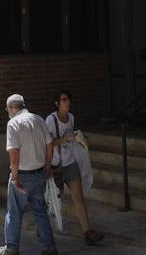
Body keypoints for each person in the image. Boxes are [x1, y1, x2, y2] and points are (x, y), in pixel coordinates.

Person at [0, 94, 58, 255]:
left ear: (11, 108)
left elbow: (14, 152)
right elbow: (50, 145)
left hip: (23, 175)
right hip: (39, 174)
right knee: (40, 210)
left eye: (7, 108)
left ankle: (11, 248)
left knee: (14, 212)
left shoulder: (13, 123)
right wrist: (47, 166)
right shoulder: (39, 119)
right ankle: (49, 246)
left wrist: (15, 176)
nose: (7, 111)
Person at [47, 91, 103, 245]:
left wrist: (79, 138)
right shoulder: (51, 120)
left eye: (68, 99)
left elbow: (71, 137)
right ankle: (45, 232)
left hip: (70, 163)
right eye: (64, 100)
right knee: (52, 201)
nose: (67, 102)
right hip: (55, 166)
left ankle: (87, 232)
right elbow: (49, 143)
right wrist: (66, 138)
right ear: (57, 104)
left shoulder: (71, 117)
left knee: (78, 197)